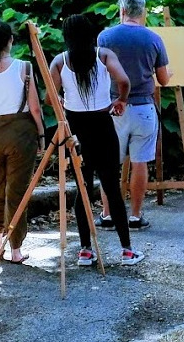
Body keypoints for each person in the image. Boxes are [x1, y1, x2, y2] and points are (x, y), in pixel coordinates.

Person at [49, 14, 144, 266]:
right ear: (91, 34)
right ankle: (126, 251)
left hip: (76, 129)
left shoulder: (60, 61)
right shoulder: (104, 55)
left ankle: (85, 251)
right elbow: (123, 81)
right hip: (103, 126)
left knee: (82, 186)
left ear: (66, 36)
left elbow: (50, 95)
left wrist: (59, 101)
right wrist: (121, 100)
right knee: (111, 186)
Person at [95, 0, 171, 231]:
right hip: (144, 108)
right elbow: (163, 79)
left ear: (122, 11)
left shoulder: (105, 37)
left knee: (109, 164)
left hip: (112, 107)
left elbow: (98, 74)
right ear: (144, 12)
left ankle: (108, 215)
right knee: (140, 162)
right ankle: (136, 216)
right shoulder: (153, 38)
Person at [0, 20, 44, 263]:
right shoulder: (23, 68)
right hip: (20, 134)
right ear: (9, 41)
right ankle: (15, 249)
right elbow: (35, 108)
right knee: (17, 192)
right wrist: (42, 135)